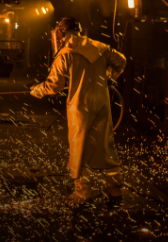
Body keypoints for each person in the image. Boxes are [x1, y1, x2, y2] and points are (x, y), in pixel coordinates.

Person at [30, 17, 126, 204]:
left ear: (62, 32)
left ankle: (83, 193)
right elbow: (121, 61)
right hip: (101, 104)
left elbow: (53, 86)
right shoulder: (100, 47)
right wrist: (109, 76)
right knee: (106, 145)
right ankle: (115, 189)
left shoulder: (65, 53)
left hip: (80, 108)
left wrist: (36, 90)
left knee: (80, 149)